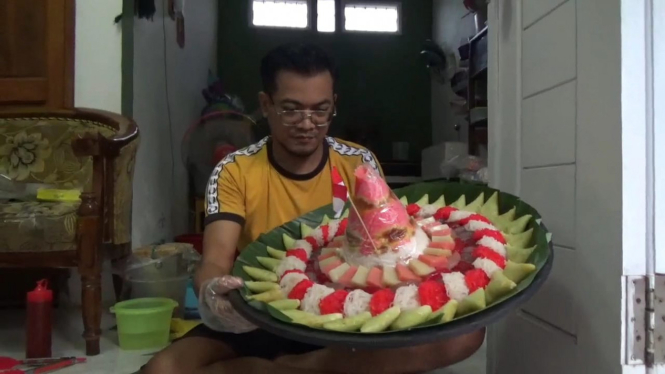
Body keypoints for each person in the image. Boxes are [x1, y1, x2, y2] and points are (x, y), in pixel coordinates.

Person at [144, 43, 484, 374]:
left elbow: (388, 251)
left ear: (333, 104)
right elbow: (215, 260)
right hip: (260, 315)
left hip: (343, 316)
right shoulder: (235, 169)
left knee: (465, 335)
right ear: (266, 104)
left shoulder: (357, 163)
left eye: (320, 110)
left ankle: (289, 368)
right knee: (164, 369)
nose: (307, 123)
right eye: (291, 109)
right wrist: (213, 293)